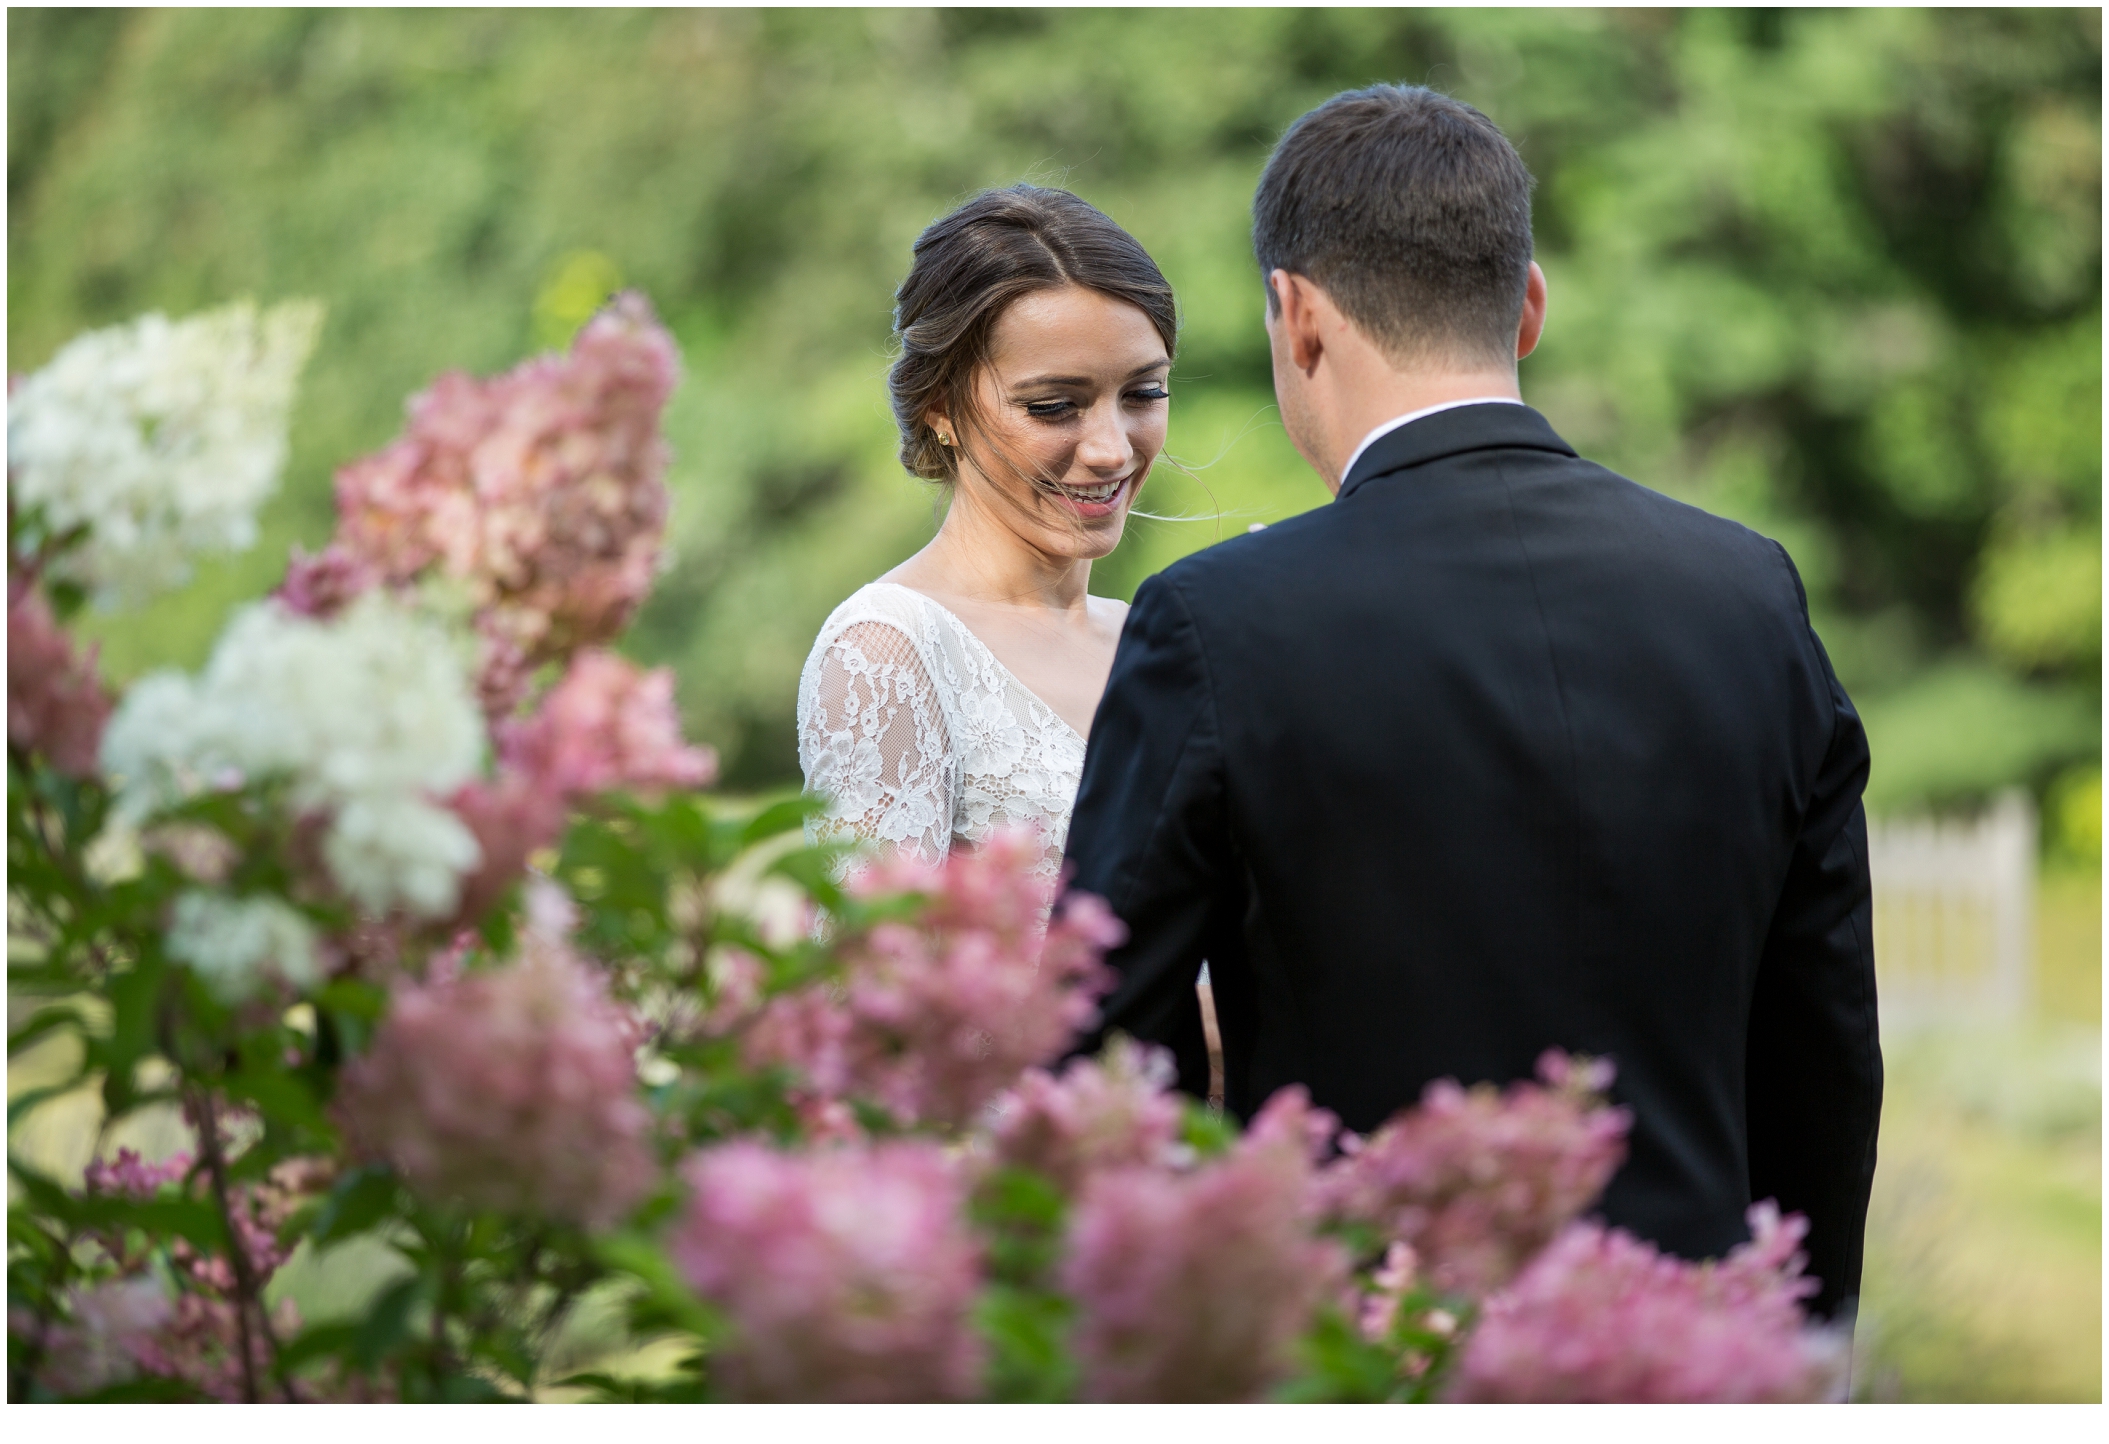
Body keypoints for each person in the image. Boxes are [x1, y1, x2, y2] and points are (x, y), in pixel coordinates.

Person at [1061, 85, 1882, 1320]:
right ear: (1530, 305)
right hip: (1692, 1356)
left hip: (1368, 1355)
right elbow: (1823, 1047)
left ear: (1297, 316)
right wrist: (1801, 1360)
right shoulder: (1748, 595)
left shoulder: (1216, 622)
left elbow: (1110, 1047)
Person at [796, 185, 1174, 886]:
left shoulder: (1153, 641)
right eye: (1054, 406)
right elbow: (868, 976)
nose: (1111, 450)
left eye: (1143, 394)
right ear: (942, 408)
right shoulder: (891, 649)